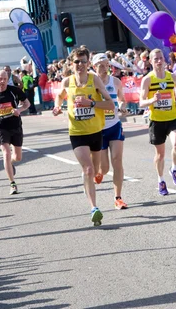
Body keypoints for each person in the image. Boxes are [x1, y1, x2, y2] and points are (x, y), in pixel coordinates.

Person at [53, 47, 115, 226]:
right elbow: (59, 97)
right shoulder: (67, 82)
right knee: (88, 170)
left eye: (83, 61)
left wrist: (91, 103)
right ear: (71, 64)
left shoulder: (94, 80)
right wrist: (57, 107)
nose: (80, 65)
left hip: (95, 131)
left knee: (96, 171)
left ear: (88, 63)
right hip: (77, 133)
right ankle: (94, 208)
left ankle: (88, 184)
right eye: (77, 62)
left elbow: (110, 104)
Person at [139, 49, 176, 196]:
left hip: (172, 117)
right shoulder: (148, 79)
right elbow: (141, 102)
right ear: (150, 61)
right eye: (156, 59)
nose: (159, 61)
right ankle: (161, 180)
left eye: (161, 59)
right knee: (160, 155)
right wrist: (153, 100)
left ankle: (174, 169)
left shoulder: (172, 77)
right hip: (157, 120)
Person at [0, 70, 30, 195]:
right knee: (6, 153)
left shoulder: (14, 91)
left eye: (4, 79)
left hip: (15, 126)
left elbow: (27, 103)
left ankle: (11, 163)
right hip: (1, 128)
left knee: (17, 157)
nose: (2, 81)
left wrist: (19, 110)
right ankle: (12, 184)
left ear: (7, 79)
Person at [92, 53, 129, 210]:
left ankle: (118, 198)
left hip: (114, 125)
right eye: (101, 65)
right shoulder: (91, 83)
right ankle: (100, 172)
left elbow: (122, 99)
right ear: (94, 67)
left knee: (117, 160)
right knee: (105, 168)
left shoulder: (116, 82)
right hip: (98, 128)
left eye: (107, 65)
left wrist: (122, 106)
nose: (104, 68)